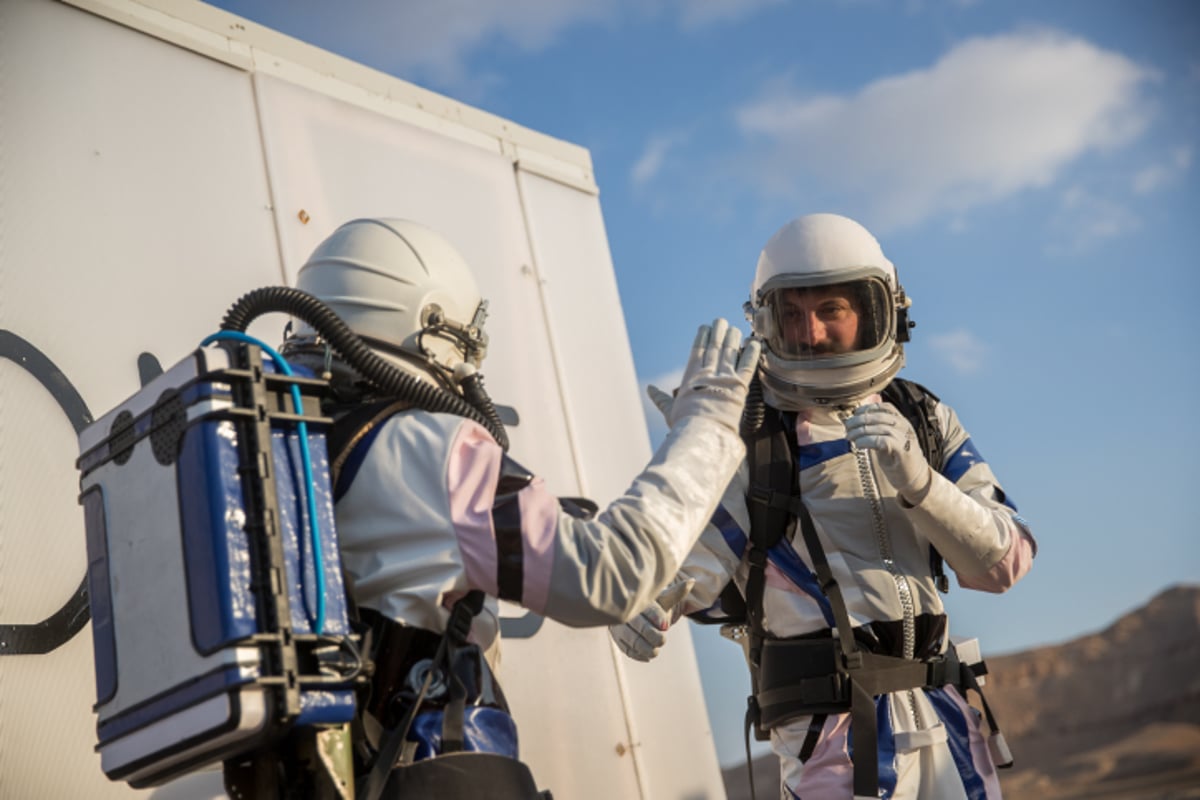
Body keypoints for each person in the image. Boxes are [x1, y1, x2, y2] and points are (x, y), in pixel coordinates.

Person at [279, 217, 759, 799]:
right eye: (463, 343)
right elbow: (608, 575)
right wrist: (705, 426)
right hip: (428, 772)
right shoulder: (425, 446)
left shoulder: (282, 450)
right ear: (429, 327)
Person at [611, 213, 1036, 800]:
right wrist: (645, 598)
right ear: (765, 323)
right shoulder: (754, 439)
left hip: (949, 727)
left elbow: (1003, 563)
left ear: (878, 309)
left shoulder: (925, 419)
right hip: (835, 740)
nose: (809, 333)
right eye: (791, 313)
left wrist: (920, 483)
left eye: (830, 309)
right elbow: (694, 557)